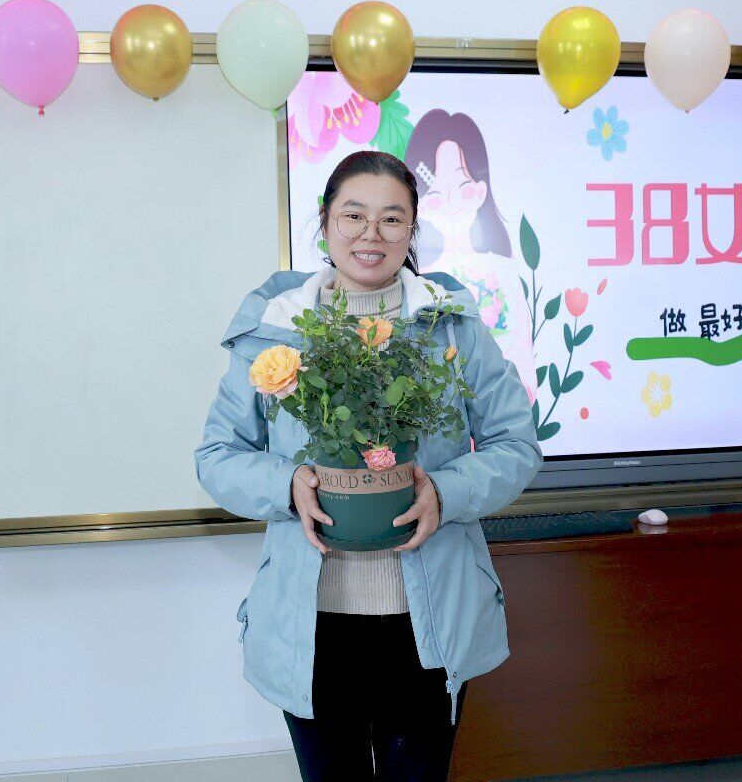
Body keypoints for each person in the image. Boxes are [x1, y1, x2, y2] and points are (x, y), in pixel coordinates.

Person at [195, 149, 541, 782]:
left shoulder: (452, 326)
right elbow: (217, 457)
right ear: (325, 222)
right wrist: (286, 484)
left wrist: (446, 491)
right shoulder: (274, 328)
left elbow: (516, 443)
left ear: (412, 231)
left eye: (392, 218)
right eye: (353, 215)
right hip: (312, 623)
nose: (370, 234)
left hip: (429, 618)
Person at [404, 109, 537, 404]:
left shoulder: (503, 271)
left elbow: (523, 357)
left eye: (463, 187)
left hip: (502, 411)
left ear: (481, 189)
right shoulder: (415, 282)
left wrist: (510, 404)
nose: (451, 202)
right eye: (436, 193)